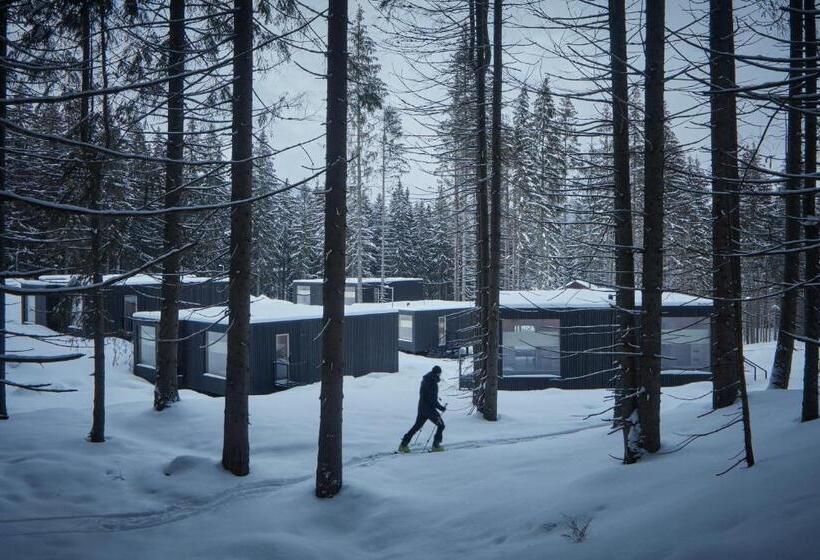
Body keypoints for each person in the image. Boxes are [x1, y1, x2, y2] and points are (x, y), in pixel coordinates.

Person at [399, 365, 447, 453]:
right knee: (441, 425)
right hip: (430, 410)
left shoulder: (425, 380)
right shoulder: (433, 384)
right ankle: (436, 446)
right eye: (439, 374)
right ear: (437, 374)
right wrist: (441, 408)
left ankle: (403, 444)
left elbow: (427, 396)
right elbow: (432, 400)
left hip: (422, 408)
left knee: (417, 426)